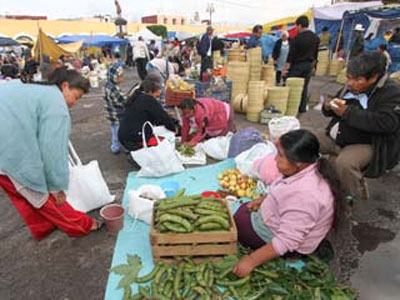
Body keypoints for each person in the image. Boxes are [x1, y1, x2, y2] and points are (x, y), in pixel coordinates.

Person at [0, 68, 102, 241]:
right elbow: (52, 150)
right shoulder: (56, 104)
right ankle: (82, 225)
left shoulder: (35, 90)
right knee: (43, 195)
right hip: (10, 154)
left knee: (22, 195)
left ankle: (43, 228)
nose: (75, 103)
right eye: (76, 97)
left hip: (6, 151)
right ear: (64, 86)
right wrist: (55, 186)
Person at [233, 129, 341, 277]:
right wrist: (263, 200)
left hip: (290, 243)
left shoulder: (305, 195)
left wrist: (251, 260)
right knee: (242, 212)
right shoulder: (302, 170)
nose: (275, 159)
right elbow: (281, 188)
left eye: (280, 156)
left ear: (299, 163)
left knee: (238, 223)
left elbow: (287, 240)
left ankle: (292, 256)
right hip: (281, 221)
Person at [318, 52, 400, 200]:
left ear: (373, 78)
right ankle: (309, 186)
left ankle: (346, 201)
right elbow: (333, 107)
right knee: (304, 139)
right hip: (337, 136)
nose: (350, 83)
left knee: (344, 163)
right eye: (348, 78)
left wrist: (348, 113)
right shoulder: (350, 87)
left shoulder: (391, 92)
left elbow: (387, 123)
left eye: (357, 80)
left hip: (365, 143)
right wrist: (328, 106)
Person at [118, 80, 176, 151]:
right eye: (157, 91)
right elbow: (163, 118)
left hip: (123, 134)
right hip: (132, 138)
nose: (159, 94)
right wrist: (174, 128)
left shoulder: (137, 96)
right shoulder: (149, 100)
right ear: (151, 92)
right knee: (161, 141)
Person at [283, 15, 319, 113]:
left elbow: (290, 56)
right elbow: (316, 54)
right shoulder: (315, 37)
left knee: (291, 86)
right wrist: (313, 67)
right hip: (308, 65)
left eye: (296, 26)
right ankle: (301, 108)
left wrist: (285, 69)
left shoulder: (297, 38)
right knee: (303, 87)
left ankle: (290, 108)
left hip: (297, 66)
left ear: (299, 25)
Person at [104, 63, 127, 154]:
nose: (123, 78)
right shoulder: (114, 89)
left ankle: (115, 147)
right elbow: (122, 101)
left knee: (114, 131)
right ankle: (122, 147)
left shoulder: (108, 85)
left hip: (112, 114)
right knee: (120, 132)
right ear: (114, 77)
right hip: (117, 114)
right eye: (120, 76)